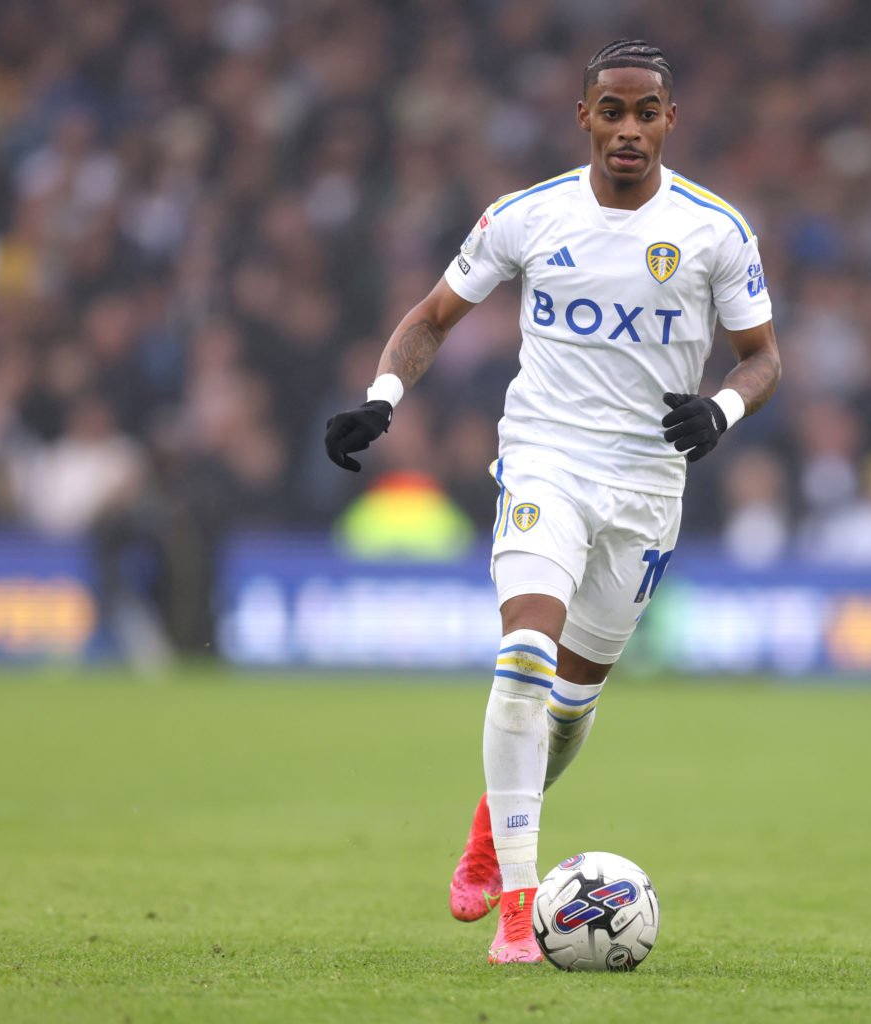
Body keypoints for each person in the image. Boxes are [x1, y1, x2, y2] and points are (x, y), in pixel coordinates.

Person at [324, 39, 780, 965]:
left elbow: (763, 355)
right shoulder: (525, 217)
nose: (627, 128)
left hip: (648, 485)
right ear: (584, 118)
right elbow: (429, 320)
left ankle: (496, 826)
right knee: (524, 655)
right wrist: (383, 398)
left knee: (570, 704)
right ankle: (518, 913)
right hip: (546, 462)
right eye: (610, 110)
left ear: (669, 121)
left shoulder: (716, 230)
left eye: (644, 111)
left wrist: (723, 409)